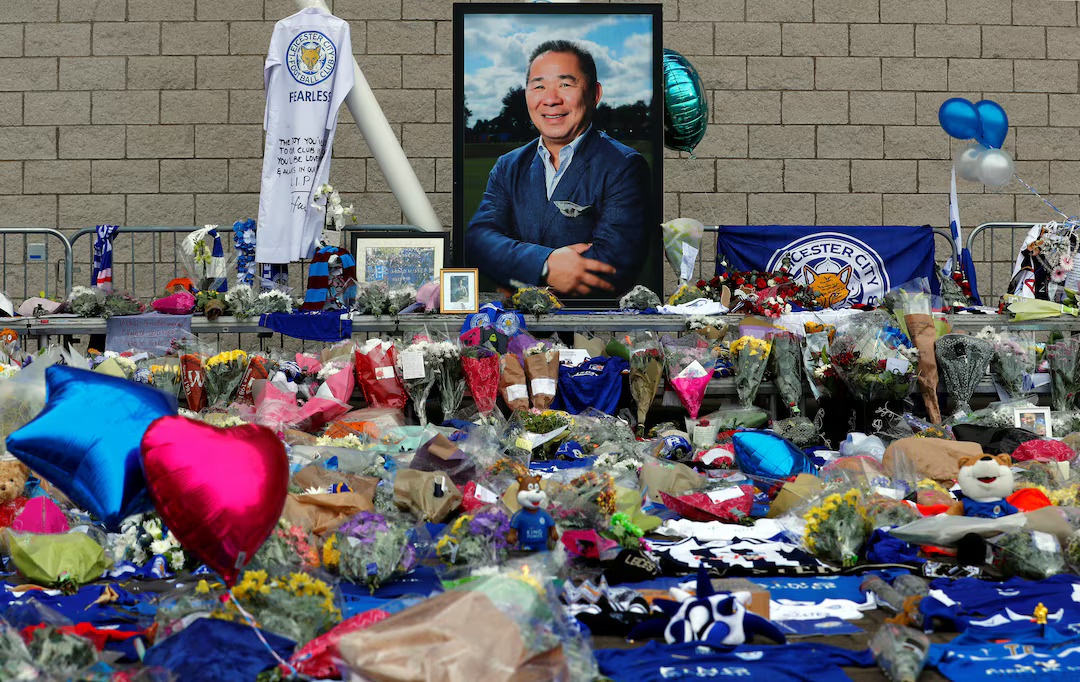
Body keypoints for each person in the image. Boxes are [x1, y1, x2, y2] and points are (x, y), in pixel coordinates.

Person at [464, 40, 652, 297]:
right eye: (539, 86)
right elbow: (479, 241)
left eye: (565, 84)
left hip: (588, 330)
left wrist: (514, 280)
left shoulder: (624, 166)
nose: (551, 99)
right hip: (514, 327)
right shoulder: (508, 166)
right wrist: (545, 264)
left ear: (595, 93)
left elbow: (609, 268)